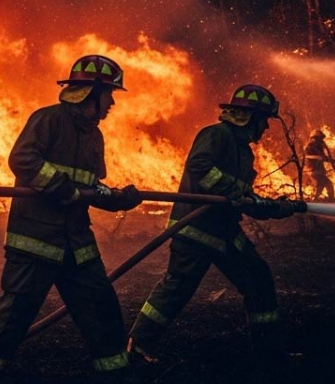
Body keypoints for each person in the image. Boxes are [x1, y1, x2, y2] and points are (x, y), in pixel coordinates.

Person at [0, 55, 142, 378]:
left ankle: (116, 372)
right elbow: (22, 159)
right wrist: (62, 188)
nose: (112, 104)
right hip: (37, 239)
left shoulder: (94, 136)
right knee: (15, 312)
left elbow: (89, 188)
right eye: (109, 95)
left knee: (100, 305)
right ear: (92, 93)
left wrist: (118, 200)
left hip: (77, 242)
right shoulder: (48, 120)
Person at [128, 84, 300, 371]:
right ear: (250, 116)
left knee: (258, 278)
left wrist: (272, 208)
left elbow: (240, 197)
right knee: (176, 289)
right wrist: (236, 193)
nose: (266, 128)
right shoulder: (216, 135)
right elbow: (200, 166)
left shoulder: (245, 153)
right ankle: (137, 346)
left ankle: (268, 351)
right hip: (196, 228)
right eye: (264, 120)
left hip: (224, 231)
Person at [305, 130, 334, 200]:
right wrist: (319, 157)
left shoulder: (319, 146)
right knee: (329, 184)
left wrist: (325, 158)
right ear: (315, 138)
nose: (321, 140)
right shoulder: (310, 146)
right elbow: (308, 156)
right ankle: (332, 200)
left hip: (319, 170)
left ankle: (315, 199)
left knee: (321, 185)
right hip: (314, 170)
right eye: (320, 138)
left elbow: (322, 156)